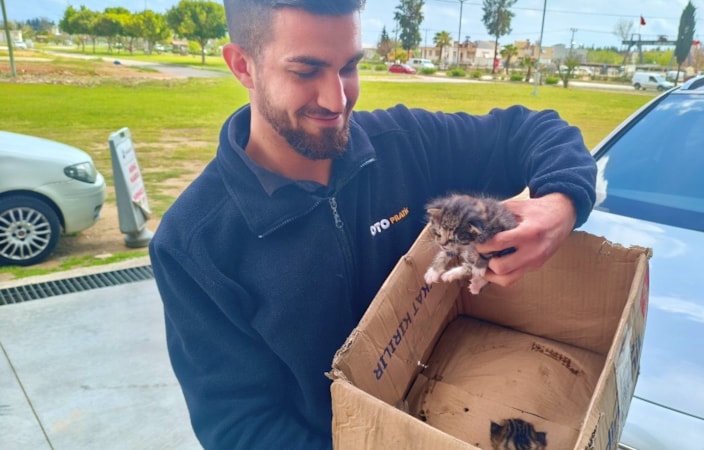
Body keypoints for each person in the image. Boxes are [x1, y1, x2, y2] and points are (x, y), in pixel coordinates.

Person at [148, 0, 597, 448]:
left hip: (460, 396)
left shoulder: (404, 144)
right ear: (242, 65)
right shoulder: (194, 243)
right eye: (306, 71)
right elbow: (241, 427)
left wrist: (559, 208)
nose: (337, 100)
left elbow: (532, 131)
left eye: (349, 66)